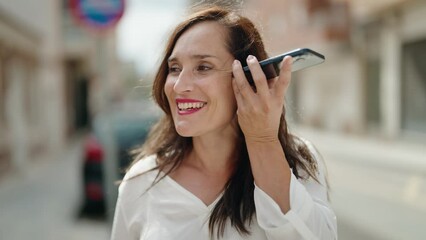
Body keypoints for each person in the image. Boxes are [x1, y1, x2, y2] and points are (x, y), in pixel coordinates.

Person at [111, 4, 337, 240]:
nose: (179, 86)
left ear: (247, 78)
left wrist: (262, 140)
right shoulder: (141, 181)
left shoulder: (297, 159)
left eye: (203, 67)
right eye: (175, 68)